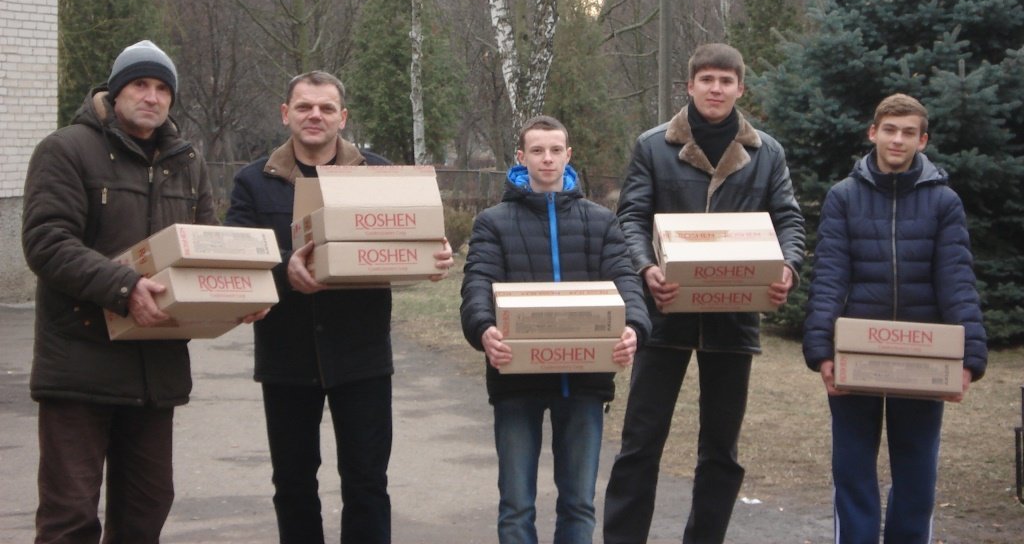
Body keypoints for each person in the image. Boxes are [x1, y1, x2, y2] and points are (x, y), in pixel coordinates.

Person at [225, 70, 454, 544]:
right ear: (285, 113)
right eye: (304, 106)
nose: (315, 115)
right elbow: (238, 259)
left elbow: (412, 239)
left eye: (326, 108)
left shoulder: (378, 175)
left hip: (361, 356)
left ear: (342, 117)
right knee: (293, 485)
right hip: (286, 356)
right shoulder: (254, 182)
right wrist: (285, 270)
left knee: (367, 483)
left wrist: (434, 255)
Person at [602, 42, 806, 544]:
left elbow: (789, 219)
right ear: (690, 85)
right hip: (663, 312)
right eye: (707, 80)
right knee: (640, 443)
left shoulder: (767, 153)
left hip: (734, 318)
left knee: (721, 451)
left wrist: (788, 266)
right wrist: (645, 267)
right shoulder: (654, 146)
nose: (716, 89)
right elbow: (631, 217)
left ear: (740, 89)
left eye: (726, 81)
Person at [22, 40, 219, 543]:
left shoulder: (187, 162)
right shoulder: (66, 149)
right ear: (115, 90)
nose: (151, 97)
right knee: (70, 517)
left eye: (162, 89)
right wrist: (124, 285)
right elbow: (47, 242)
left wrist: (233, 296)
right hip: (81, 363)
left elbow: (206, 245)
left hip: (155, 369)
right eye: (139, 85)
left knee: (146, 511)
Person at [802, 93, 987, 544]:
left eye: (908, 132)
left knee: (917, 473)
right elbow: (829, 277)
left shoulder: (944, 202)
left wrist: (969, 359)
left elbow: (957, 281)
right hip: (855, 354)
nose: (897, 140)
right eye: (889, 130)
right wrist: (822, 352)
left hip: (924, 358)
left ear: (922, 141)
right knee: (852, 469)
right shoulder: (843, 197)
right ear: (873, 133)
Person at [460, 115, 651, 544]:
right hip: (515, 381)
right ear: (521, 157)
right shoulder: (493, 222)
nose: (547, 158)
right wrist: (484, 329)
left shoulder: (601, 221)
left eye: (555, 150)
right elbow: (477, 285)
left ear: (568, 155)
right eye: (537, 150)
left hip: (584, 382)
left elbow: (626, 281)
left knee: (579, 505)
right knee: (516, 506)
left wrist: (634, 327)